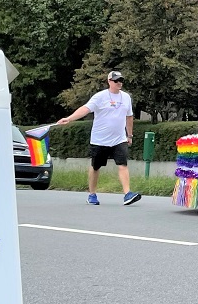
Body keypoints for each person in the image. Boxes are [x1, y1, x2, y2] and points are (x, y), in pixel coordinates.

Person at [56, 70, 142, 206]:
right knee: (96, 166)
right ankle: (92, 194)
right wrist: (69, 119)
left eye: (121, 80)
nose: (119, 83)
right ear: (109, 81)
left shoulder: (126, 97)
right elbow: (85, 109)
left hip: (119, 139)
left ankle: (127, 194)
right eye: (116, 80)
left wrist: (129, 135)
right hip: (100, 140)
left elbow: (129, 116)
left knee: (123, 165)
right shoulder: (100, 97)